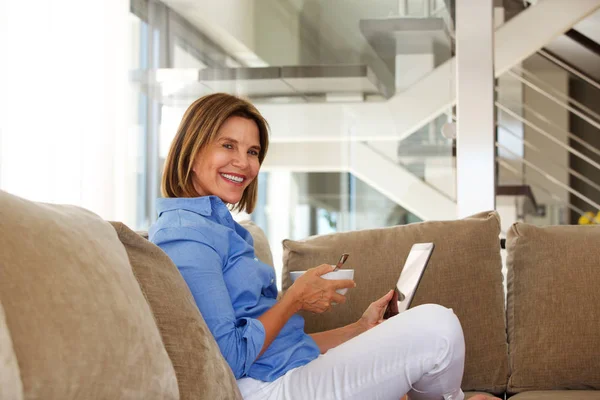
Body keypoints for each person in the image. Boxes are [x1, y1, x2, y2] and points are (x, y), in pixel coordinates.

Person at [149, 93, 500, 400]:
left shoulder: (223, 228)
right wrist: (293, 300)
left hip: (290, 374)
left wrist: (358, 330)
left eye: (252, 151)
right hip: (266, 390)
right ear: (192, 151)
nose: (244, 162)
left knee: (433, 327)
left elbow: (283, 348)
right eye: (228, 145)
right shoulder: (185, 234)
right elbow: (230, 357)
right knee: (438, 327)